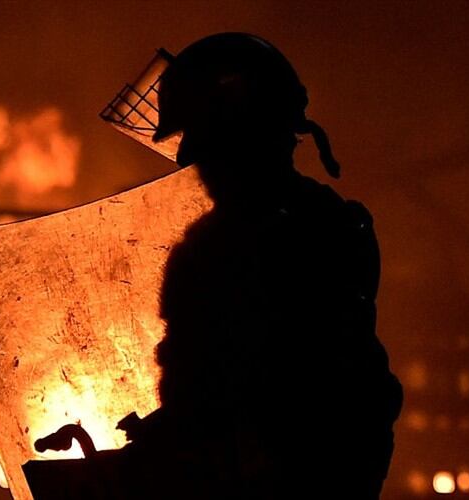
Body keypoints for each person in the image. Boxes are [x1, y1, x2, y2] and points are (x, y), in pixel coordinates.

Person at [129, 32, 403, 499]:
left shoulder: (299, 238)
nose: (192, 162)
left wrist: (191, 436)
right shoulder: (324, 225)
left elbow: (285, 385)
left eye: (204, 144)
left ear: (245, 140)